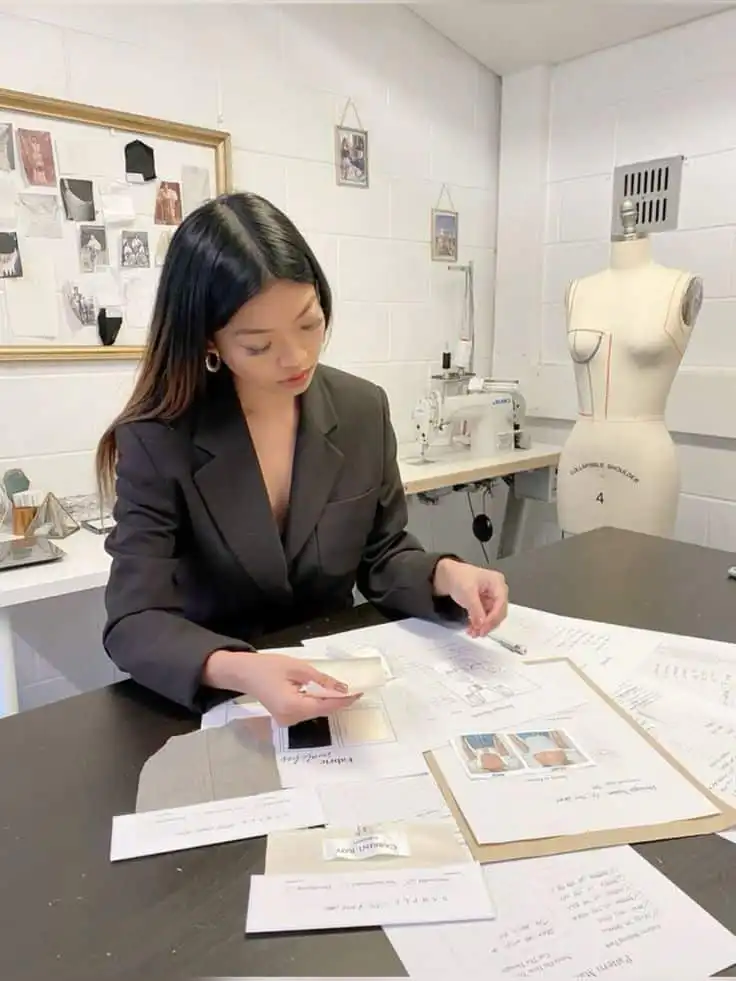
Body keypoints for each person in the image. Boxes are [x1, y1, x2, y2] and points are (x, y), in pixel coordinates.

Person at [96, 192, 509, 726]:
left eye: (309, 323)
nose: (297, 357)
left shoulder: (361, 409)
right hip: (221, 702)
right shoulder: (159, 438)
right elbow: (135, 619)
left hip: (339, 688)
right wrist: (245, 670)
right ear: (209, 341)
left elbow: (383, 554)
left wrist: (446, 574)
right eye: (259, 345)